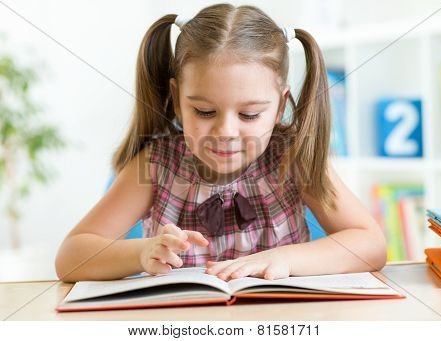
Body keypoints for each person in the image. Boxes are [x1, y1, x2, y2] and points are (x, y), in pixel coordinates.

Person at [55, 3, 387, 283]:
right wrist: (142, 252)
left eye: (249, 114)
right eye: (205, 111)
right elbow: (71, 256)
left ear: (280, 105)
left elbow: (371, 244)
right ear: (177, 99)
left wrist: (286, 260)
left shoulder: (294, 158)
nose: (225, 131)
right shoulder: (155, 165)